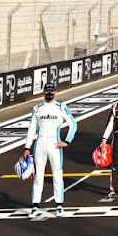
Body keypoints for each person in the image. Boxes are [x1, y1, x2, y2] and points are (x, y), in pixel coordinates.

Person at [23, 83, 77, 218]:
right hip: (39, 145)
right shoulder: (37, 109)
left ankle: (59, 205)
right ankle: (35, 206)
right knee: (38, 176)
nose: (49, 93)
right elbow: (31, 129)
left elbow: (73, 124)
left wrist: (67, 141)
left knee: (57, 175)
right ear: (43, 93)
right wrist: (27, 147)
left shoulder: (61, 107)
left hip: (55, 145)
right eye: (47, 91)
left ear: (56, 92)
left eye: (51, 91)